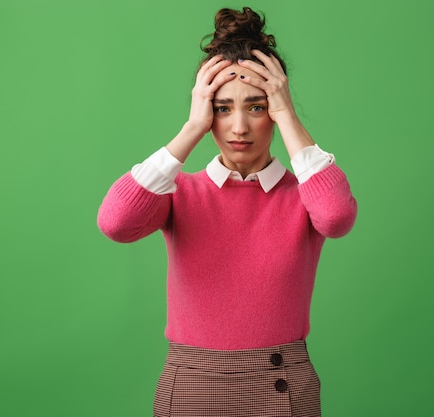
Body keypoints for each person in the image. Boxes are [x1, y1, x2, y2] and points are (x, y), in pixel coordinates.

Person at [97, 6, 357, 417]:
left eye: (256, 107)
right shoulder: (178, 192)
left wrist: (288, 114)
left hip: (282, 389)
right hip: (192, 389)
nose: (239, 127)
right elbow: (115, 222)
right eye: (222, 109)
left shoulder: (303, 193)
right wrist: (190, 128)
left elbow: (337, 216)